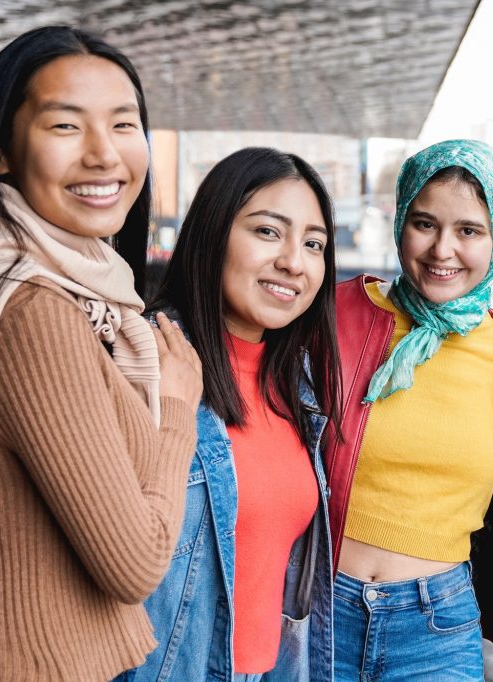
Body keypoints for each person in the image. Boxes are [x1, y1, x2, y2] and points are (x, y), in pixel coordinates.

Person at [0, 26, 201, 680]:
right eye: (65, 126)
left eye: (123, 123)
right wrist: (174, 412)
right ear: (2, 150)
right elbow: (134, 564)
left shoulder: (73, 290)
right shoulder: (33, 311)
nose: (104, 154)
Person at [116, 146, 341, 681]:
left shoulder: (299, 386)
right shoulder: (144, 359)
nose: (293, 261)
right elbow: (25, 484)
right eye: (268, 232)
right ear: (214, 232)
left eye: (314, 244)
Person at [325, 139, 493, 680]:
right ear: (399, 221)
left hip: (436, 628)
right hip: (317, 610)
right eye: (424, 223)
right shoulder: (337, 313)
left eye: (468, 230)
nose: (442, 249)